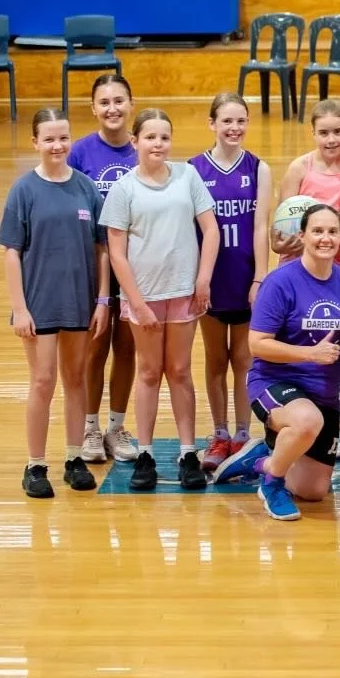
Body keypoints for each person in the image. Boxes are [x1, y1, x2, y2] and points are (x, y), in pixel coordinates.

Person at [100, 108, 218, 492]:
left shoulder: (188, 176)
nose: (158, 144)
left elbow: (210, 229)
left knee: (180, 370)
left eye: (164, 137)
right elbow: (116, 252)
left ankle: (187, 452)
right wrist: (137, 302)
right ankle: (146, 453)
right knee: (149, 372)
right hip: (144, 297)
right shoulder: (123, 189)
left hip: (183, 292)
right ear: (135, 141)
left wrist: (203, 279)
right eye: (150, 137)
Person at [218, 204, 340, 520]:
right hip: (274, 382)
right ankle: (271, 485)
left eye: (333, 231)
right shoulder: (280, 281)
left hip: (323, 391)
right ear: (303, 235)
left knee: (314, 491)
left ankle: (261, 460)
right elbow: (257, 344)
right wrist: (309, 354)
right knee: (306, 421)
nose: (325, 238)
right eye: (317, 231)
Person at [1, 108, 111, 497]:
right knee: (43, 380)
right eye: (48, 139)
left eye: (63, 138)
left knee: (76, 379)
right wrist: (20, 308)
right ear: (35, 142)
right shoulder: (23, 190)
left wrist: (102, 300)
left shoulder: (86, 188)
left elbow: (102, 249)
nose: (57, 145)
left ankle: (73, 458)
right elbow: (12, 252)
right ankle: (35, 465)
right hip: (39, 303)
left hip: (79, 302)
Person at [191, 92, 272, 472]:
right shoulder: (193, 170)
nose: (234, 128)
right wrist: (197, 279)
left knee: (243, 359)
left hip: (243, 276)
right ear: (212, 124)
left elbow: (260, 227)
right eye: (227, 121)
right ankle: (219, 432)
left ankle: (242, 434)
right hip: (210, 278)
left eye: (241, 121)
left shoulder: (258, 168)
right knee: (215, 359)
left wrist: (260, 277)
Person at [68, 73, 138, 464]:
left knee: (126, 348)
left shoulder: (141, 148)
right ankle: (90, 428)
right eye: (104, 102)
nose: (112, 108)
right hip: (93, 266)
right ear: (93, 108)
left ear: (131, 104)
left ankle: (116, 426)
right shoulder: (79, 153)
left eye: (119, 100)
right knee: (95, 348)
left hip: (135, 268)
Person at [274, 99, 340, 265]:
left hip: (332, 263)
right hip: (295, 262)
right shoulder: (299, 168)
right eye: (323, 133)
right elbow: (279, 221)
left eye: (338, 132)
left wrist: (337, 227)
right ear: (313, 133)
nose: (331, 139)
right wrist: (278, 243)